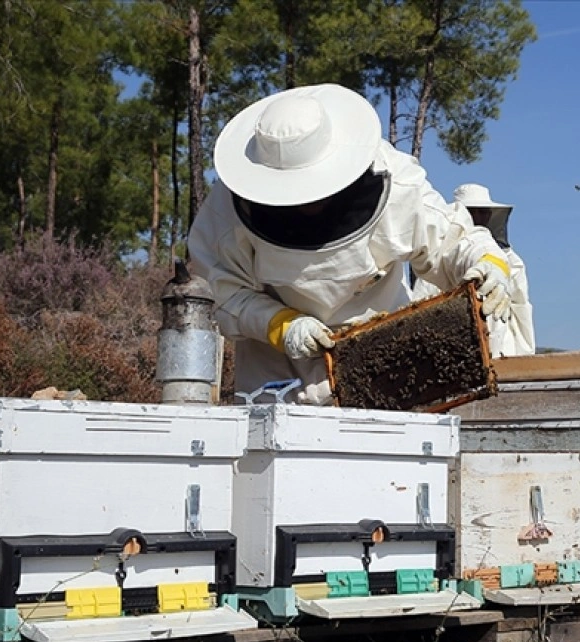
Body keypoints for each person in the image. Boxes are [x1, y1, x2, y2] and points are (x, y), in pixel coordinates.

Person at [188, 84, 513, 403]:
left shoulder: (397, 184)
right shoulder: (227, 211)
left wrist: (489, 263)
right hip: (276, 370)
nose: (306, 201)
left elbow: (451, 241)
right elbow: (220, 291)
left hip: (387, 360)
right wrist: (279, 324)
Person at [412, 183, 535, 356]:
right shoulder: (438, 262)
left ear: (489, 215)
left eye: (482, 211)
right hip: (454, 352)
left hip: (504, 353)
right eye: (470, 211)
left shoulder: (512, 262)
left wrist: (525, 358)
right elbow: (417, 311)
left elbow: (521, 309)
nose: (477, 216)